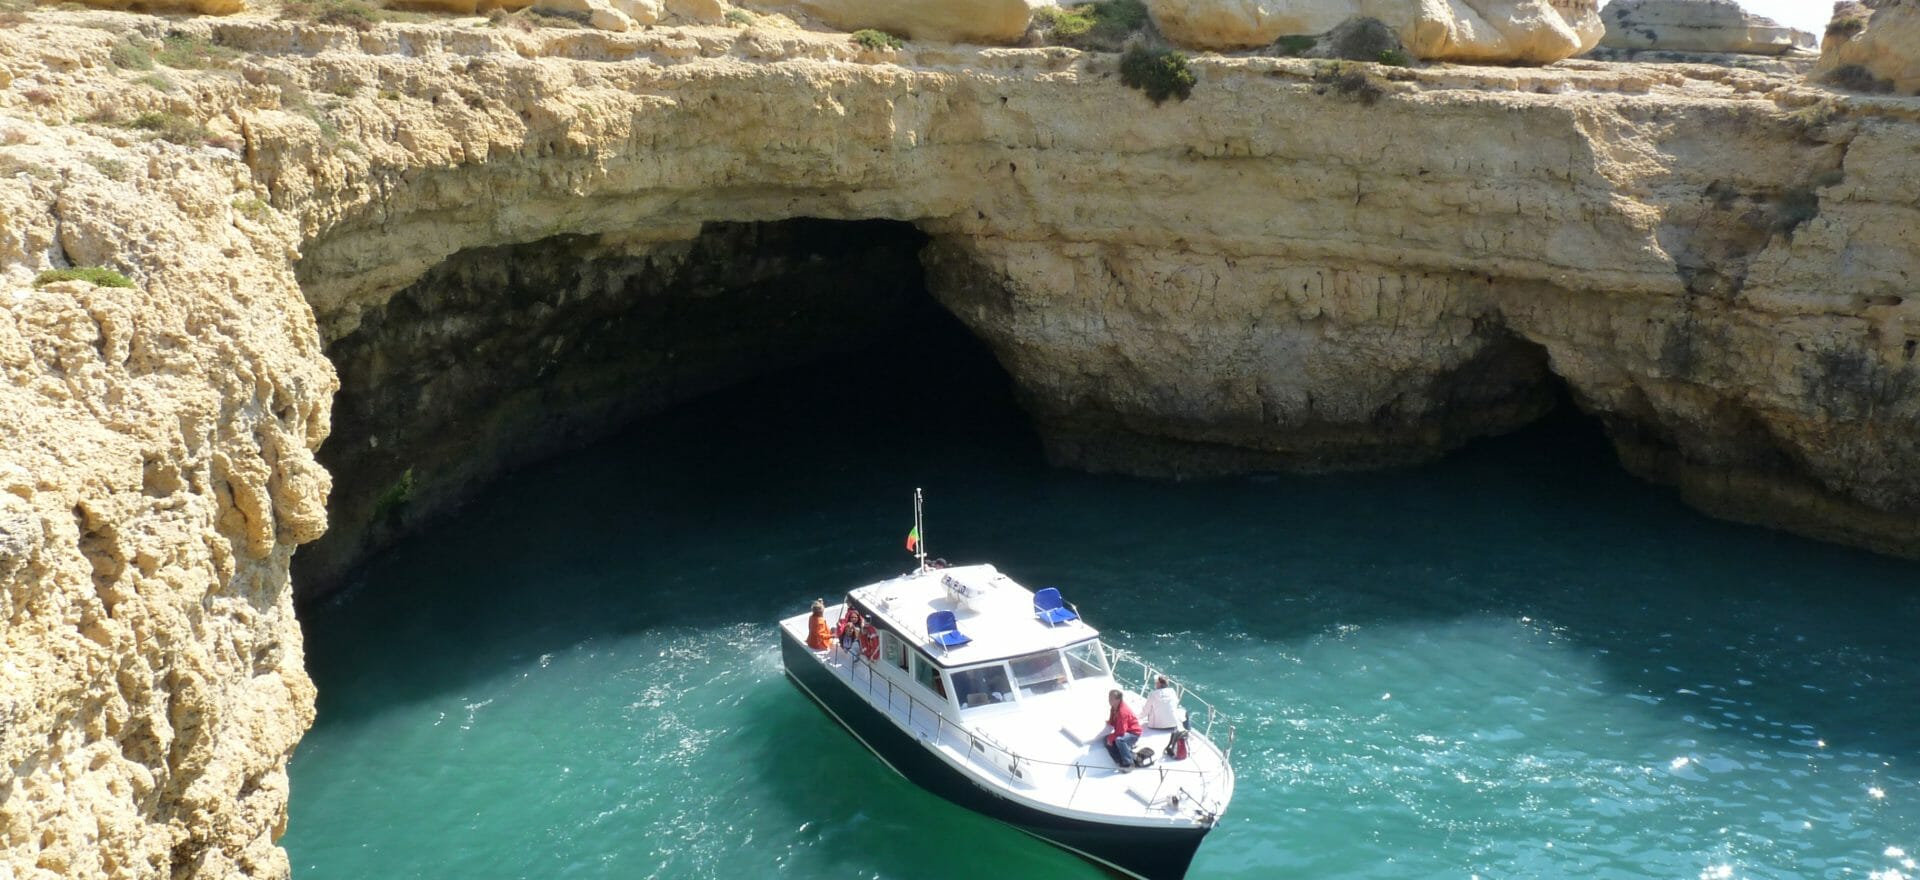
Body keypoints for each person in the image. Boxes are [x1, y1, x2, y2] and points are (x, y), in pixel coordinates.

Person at [1102, 689, 1142, 770]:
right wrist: (1110, 722)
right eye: (1109, 697)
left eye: (1111, 698)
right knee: (1106, 739)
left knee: (1119, 740)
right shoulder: (1114, 707)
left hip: (1133, 733)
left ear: (1118, 700)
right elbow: (1113, 720)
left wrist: (1111, 738)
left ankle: (1128, 763)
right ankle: (1119, 758)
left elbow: (1121, 731)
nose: (1109, 700)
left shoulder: (1122, 712)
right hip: (1126, 731)